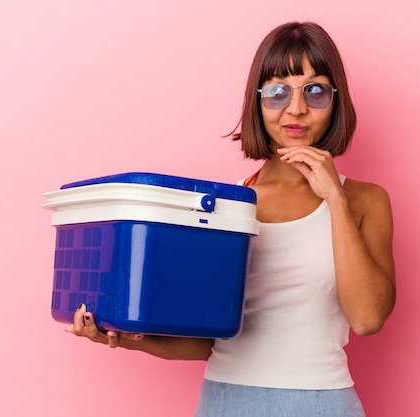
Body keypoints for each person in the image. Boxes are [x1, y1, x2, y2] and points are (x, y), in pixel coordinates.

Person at [67, 21, 396, 417]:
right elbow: (211, 341)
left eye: (315, 90)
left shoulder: (365, 201)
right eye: (277, 91)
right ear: (257, 102)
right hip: (226, 401)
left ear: (335, 100)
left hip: (321, 401)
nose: (296, 109)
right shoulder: (224, 206)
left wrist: (334, 199)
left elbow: (366, 318)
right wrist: (121, 336)